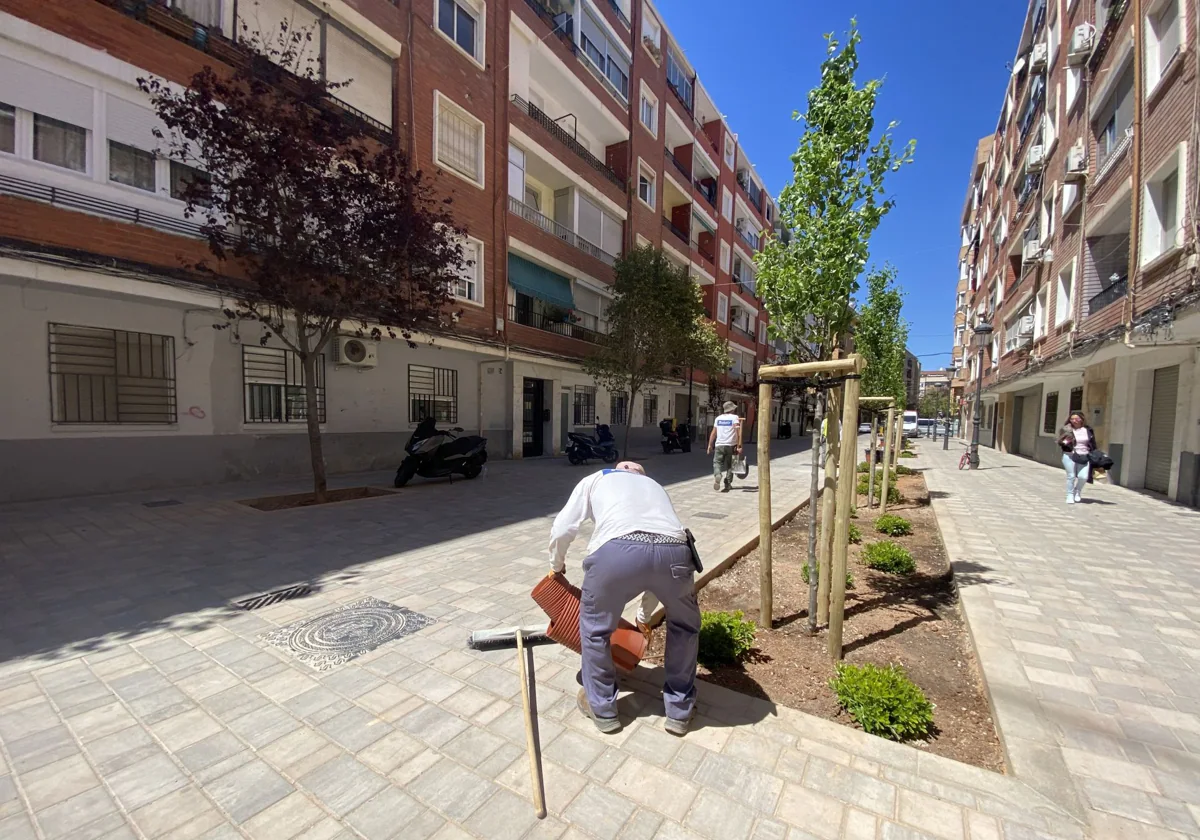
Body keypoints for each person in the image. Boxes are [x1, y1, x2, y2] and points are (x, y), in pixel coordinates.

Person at [547, 461, 700, 736]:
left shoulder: (596, 479)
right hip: (675, 553)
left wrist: (556, 566)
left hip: (615, 554)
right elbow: (654, 571)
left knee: (595, 631)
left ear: (618, 469)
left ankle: (603, 710)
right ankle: (679, 710)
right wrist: (644, 617)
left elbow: (562, 528)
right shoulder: (655, 486)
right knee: (685, 626)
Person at [1058, 411, 1096, 504]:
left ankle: (1077, 491)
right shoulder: (1066, 429)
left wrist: (1094, 454)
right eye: (1072, 419)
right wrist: (1065, 442)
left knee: (1083, 477)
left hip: (1084, 455)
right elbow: (1060, 442)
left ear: (1082, 419)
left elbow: (1092, 443)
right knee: (1071, 476)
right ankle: (1070, 495)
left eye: (1077, 419)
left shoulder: (1088, 430)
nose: (1074, 421)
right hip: (1069, 455)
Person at [707, 401, 742, 492]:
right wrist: (739, 446)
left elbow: (713, 433)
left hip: (719, 445)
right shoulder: (735, 418)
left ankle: (718, 474)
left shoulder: (718, 418)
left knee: (717, 462)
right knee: (731, 465)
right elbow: (738, 433)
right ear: (732, 409)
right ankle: (727, 484)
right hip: (731, 445)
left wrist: (710, 445)